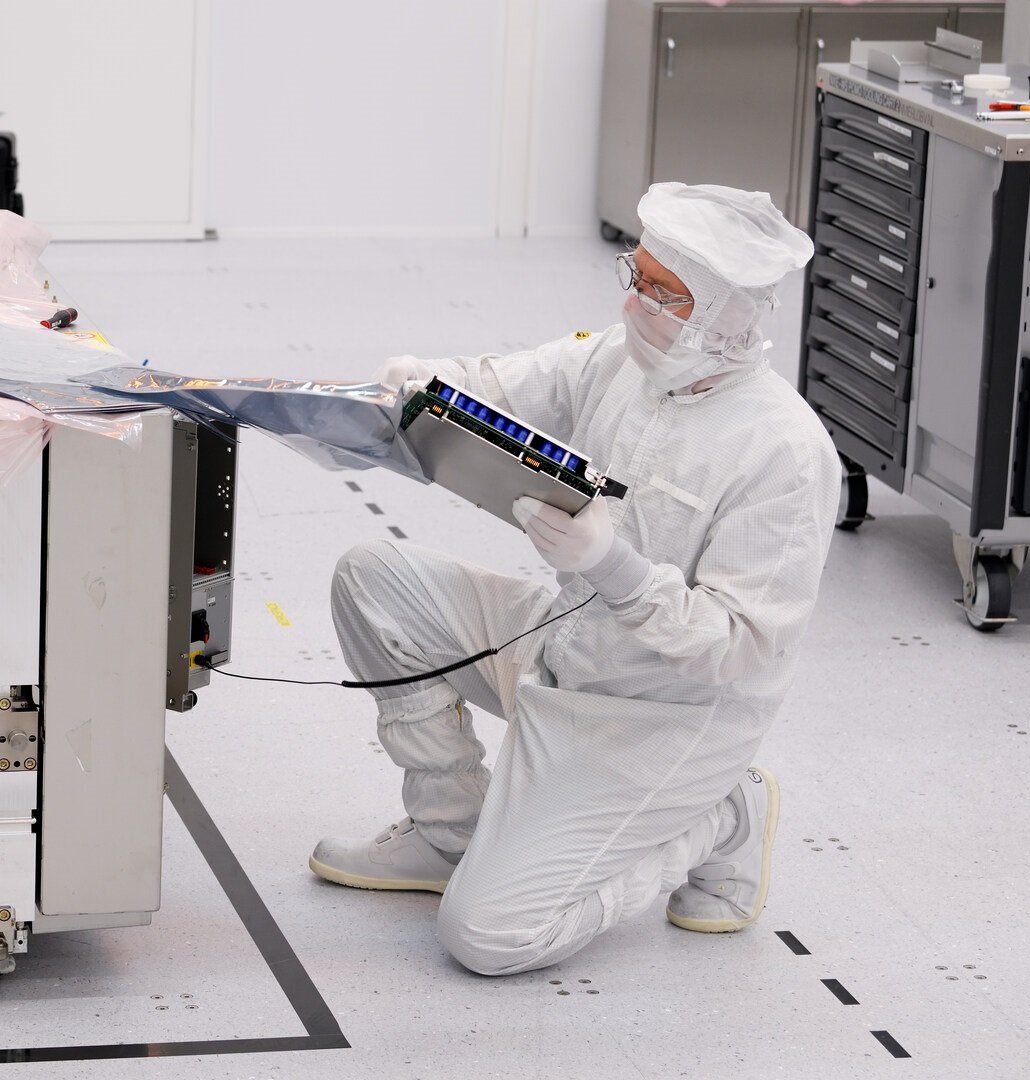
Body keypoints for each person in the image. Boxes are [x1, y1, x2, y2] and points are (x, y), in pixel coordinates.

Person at [309, 182, 841, 976]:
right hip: (564, 646)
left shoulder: (786, 454)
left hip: (656, 722)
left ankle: (720, 815)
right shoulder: (624, 365)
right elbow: (511, 382)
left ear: (727, 315)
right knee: (373, 579)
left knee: (489, 939)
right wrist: (428, 380)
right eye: (639, 275)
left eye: (667, 293)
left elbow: (738, 652)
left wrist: (614, 567)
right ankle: (451, 834)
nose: (638, 304)